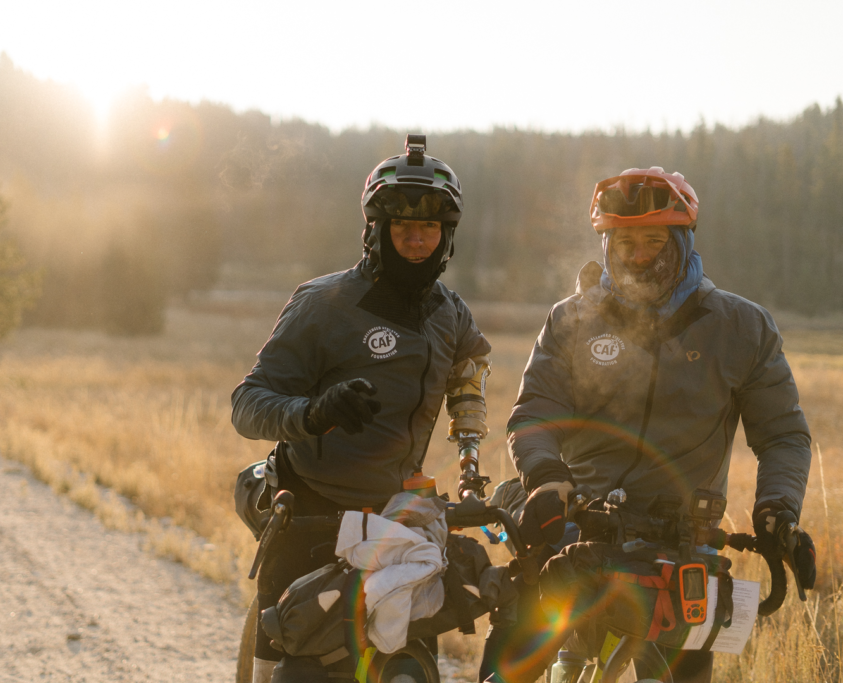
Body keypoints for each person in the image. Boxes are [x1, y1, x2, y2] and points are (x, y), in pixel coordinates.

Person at [479, 167, 817, 683]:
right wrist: (547, 481)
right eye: (625, 241)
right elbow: (535, 412)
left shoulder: (742, 327)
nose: (638, 255)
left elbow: (783, 436)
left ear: (682, 241)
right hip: (578, 530)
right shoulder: (572, 320)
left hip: (681, 545)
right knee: (509, 659)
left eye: (654, 241)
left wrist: (777, 512)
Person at [232, 135, 493, 683]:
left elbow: (470, 368)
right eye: (403, 228)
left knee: (411, 658)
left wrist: (469, 449)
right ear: (376, 231)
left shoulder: (450, 313)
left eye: (430, 229)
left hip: (396, 517)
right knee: (286, 662)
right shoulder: (323, 304)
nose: (417, 241)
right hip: (308, 510)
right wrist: (312, 413)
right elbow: (247, 404)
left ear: (448, 236)